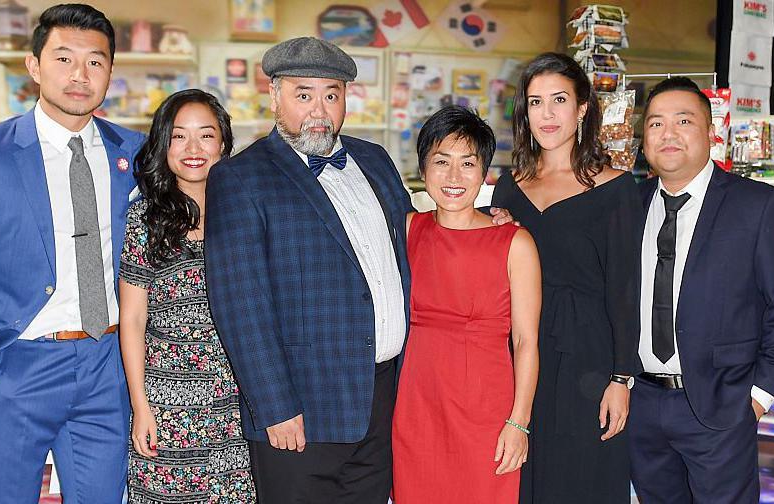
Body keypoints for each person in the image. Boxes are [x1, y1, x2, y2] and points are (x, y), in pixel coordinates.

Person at [203, 37, 512, 503]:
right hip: (302, 411)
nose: (319, 109)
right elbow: (240, 305)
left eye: (332, 94)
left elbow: (423, 237)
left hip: (387, 399)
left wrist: (490, 222)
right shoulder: (240, 178)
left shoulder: (374, 160)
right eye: (303, 94)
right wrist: (274, 408)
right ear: (275, 96)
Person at [0, 4, 143, 503]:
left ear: (110, 71)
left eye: (95, 61)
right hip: (16, 364)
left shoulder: (133, 152)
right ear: (34, 66)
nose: (80, 75)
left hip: (106, 368)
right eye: (64, 59)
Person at [628, 77, 774, 503]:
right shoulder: (628, 206)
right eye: (655, 124)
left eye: (683, 121)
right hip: (642, 406)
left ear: (711, 133)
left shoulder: (756, 205)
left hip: (721, 407)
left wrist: (758, 398)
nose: (667, 134)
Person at [491, 52, 642, 503]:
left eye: (559, 100)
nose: (548, 114)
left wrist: (621, 378)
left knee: (582, 482)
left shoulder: (616, 188)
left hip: (590, 362)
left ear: (581, 110)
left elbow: (626, 290)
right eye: (536, 102)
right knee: (522, 479)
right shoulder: (508, 186)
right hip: (518, 356)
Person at [391, 106, 541, 503]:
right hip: (416, 407)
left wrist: (519, 423)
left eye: (468, 163)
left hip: (486, 412)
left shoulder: (514, 243)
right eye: (442, 162)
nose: (454, 177)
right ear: (423, 169)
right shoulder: (408, 229)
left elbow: (526, 341)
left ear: (484, 172)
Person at [118, 89, 256, 503]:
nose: (193, 149)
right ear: (163, 145)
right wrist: (141, 406)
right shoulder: (145, 217)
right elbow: (133, 318)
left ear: (224, 144)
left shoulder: (246, 213)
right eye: (179, 136)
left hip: (237, 405)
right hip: (169, 408)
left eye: (206, 135)